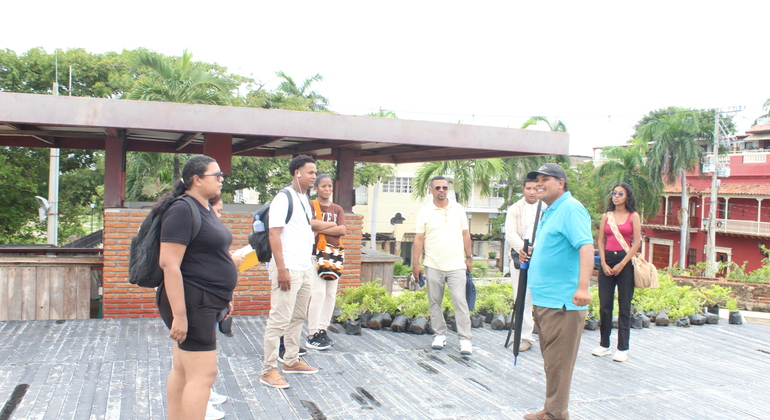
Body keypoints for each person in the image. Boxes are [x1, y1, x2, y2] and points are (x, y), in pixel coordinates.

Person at [157, 156, 238, 420]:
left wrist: (226, 295)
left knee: (183, 371)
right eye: (217, 174)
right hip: (193, 303)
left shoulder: (203, 207)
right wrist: (180, 316)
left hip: (206, 300)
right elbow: (170, 264)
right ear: (197, 179)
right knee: (203, 376)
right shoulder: (182, 209)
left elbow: (211, 255)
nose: (222, 179)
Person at [519, 163, 593, 420]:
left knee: (559, 364)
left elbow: (586, 247)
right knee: (552, 362)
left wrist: (583, 288)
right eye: (536, 179)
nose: (539, 183)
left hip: (563, 302)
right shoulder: (550, 210)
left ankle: (556, 415)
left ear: (561, 182)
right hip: (545, 300)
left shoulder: (572, 209)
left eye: (545, 179)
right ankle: (551, 409)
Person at [260, 155, 319, 389]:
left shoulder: (304, 197)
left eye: (315, 172)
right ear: (297, 173)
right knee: (279, 320)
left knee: (297, 317)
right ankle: (268, 370)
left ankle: (291, 360)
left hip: (304, 267)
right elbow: (274, 234)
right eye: (310, 172)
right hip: (288, 268)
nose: (314, 176)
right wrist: (281, 269)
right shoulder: (283, 198)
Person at [412, 176, 474, 355]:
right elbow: (419, 238)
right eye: (438, 187)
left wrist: (469, 257)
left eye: (445, 188)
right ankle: (439, 334)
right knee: (434, 302)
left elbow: (465, 234)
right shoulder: (424, 211)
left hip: (456, 265)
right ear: (430, 190)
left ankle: (465, 339)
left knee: (460, 301)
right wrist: (415, 264)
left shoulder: (458, 209)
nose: (442, 190)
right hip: (433, 264)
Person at [592, 182, 641, 363]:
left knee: (624, 306)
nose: (616, 196)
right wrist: (603, 263)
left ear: (627, 197)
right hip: (607, 262)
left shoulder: (633, 216)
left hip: (625, 262)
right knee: (605, 305)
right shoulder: (607, 216)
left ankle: (622, 348)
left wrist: (622, 264)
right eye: (614, 193)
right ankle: (604, 344)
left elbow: (636, 243)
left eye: (620, 194)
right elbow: (600, 240)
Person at [306, 173, 347, 350]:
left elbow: (343, 230)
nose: (327, 189)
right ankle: (312, 332)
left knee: (331, 294)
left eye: (330, 186)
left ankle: (322, 329)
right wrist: (332, 227)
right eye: (323, 186)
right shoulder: (311, 205)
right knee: (318, 293)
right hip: (316, 254)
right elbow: (311, 224)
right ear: (316, 188)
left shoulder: (337, 209)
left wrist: (320, 225)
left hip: (334, 255)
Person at [504, 178, 541, 352]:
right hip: (521, 256)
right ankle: (525, 337)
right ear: (523, 189)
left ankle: (545, 334)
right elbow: (510, 233)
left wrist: (538, 249)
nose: (532, 192)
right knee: (522, 297)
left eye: (535, 188)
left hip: (543, 257)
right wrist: (523, 249)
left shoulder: (547, 207)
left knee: (542, 296)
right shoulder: (515, 209)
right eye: (529, 188)